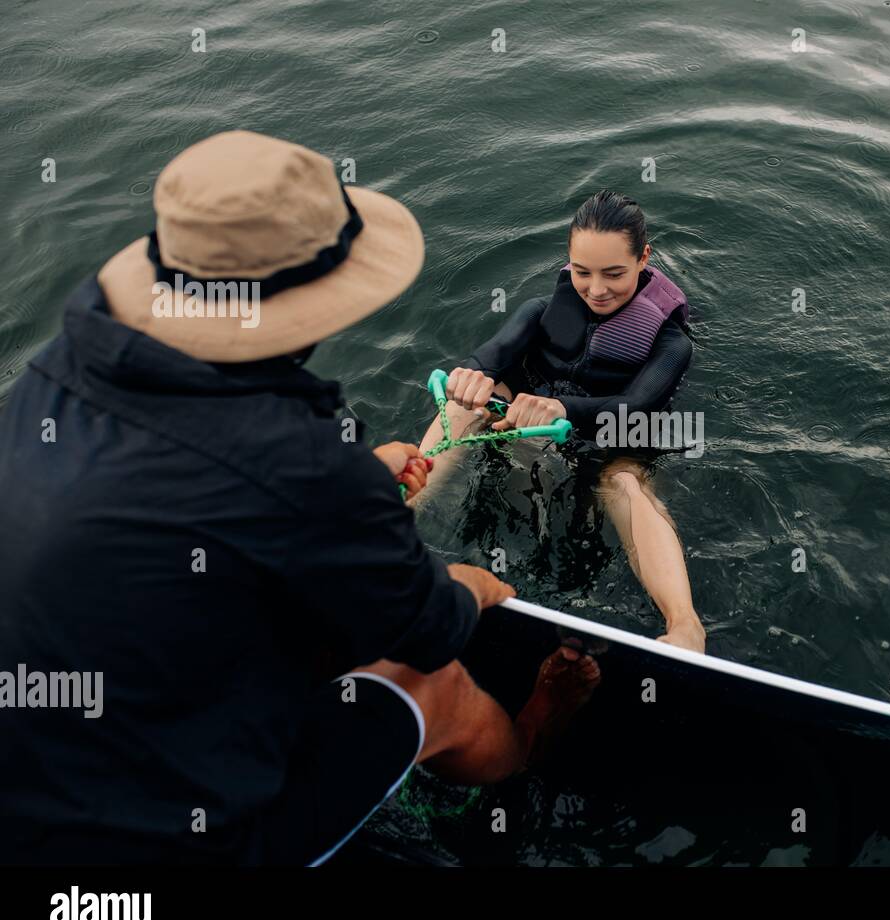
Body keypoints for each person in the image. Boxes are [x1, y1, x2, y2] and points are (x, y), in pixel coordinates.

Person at [0, 130, 598, 865]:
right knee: (433, 684)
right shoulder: (303, 463)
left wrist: (354, 484)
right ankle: (527, 744)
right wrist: (470, 584)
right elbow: (428, 629)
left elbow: (176, 501)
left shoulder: (48, 381)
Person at [416, 190, 706, 654]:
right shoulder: (539, 311)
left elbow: (635, 409)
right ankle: (393, 518)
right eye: (582, 271)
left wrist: (563, 410)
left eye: (614, 274)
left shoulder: (671, 344)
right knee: (464, 406)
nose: (595, 289)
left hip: (612, 434)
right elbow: (487, 358)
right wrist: (469, 376)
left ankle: (686, 627)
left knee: (626, 484)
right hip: (530, 422)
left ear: (643, 259)